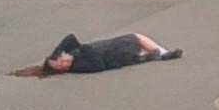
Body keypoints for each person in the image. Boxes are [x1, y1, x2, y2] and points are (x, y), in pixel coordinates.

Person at [42, 33, 182, 74]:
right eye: (62, 66)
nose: (64, 62)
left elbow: (70, 37)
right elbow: (98, 65)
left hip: (109, 46)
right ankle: (161, 54)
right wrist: (84, 48)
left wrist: (57, 51)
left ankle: (161, 54)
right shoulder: (78, 65)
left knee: (136, 39)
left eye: (60, 59)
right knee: (135, 39)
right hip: (112, 55)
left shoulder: (70, 52)